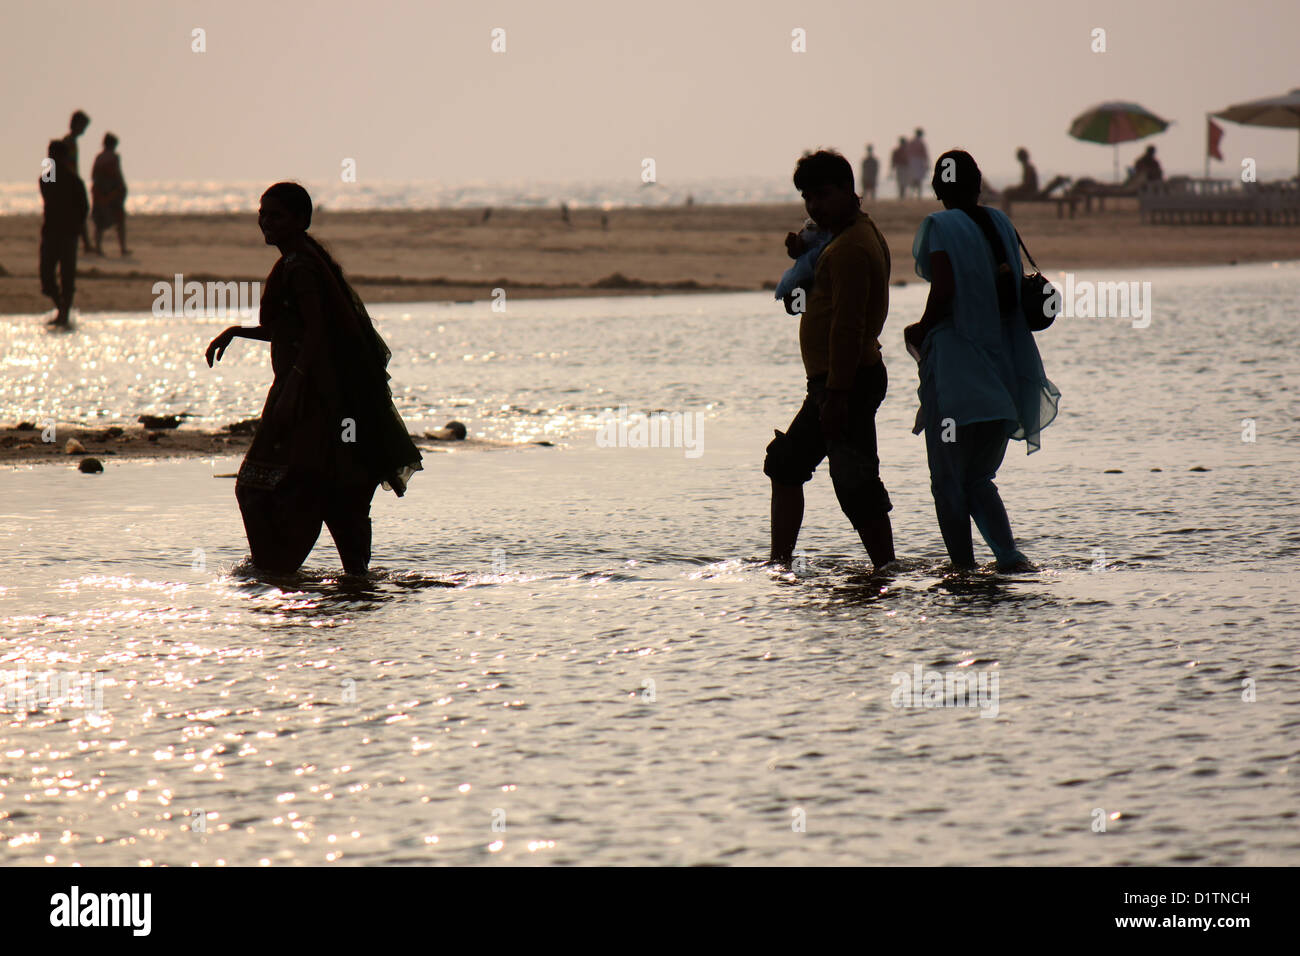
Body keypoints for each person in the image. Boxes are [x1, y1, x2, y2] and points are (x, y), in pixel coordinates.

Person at [205, 182, 423, 575]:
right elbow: (296, 330)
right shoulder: (300, 261)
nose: (265, 221)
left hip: (309, 394)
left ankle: (274, 574)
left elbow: (317, 332)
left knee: (259, 487)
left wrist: (295, 386)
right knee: (336, 486)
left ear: (301, 221)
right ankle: (347, 582)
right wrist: (238, 331)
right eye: (263, 213)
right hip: (319, 393)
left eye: (276, 215)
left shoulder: (301, 267)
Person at [903, 150, 1060, 572]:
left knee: (947, 480)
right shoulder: (1001, 222)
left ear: (937, 189)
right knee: (977, 479)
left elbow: (946, 287)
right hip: (1007, 372)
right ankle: (1009, 557)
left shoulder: (938, 226)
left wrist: (919, 328)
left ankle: (962, 571)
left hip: (958, 377)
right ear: (978, 184)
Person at [765, 150, 895, 572]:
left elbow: (848, 328)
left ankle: (886, 570)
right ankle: (779, 564)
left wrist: (837, 397)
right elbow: (820, 300)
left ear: (847, 191)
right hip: (832, 383)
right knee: (786, 464)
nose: (813, 206)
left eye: (822, 195)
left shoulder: (851, 248)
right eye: (807, 197)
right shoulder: (843, 236)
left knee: (855, 484)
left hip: (847, 382)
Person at [39, 139, 88, 327]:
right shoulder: (53, 179)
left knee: (67, 277)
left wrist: (76, 228)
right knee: (47, 278)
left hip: (67, 234)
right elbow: (48, 186)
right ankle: (62, 310)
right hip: (51, 233)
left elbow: (83, 208)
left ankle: (64, 314)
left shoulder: (73, 180)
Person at [59, 111, 94, 254]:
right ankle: (85, 244)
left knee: (79, 213)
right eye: (83, 126)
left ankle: (86, 244)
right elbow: (65, 164)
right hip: (69, 183)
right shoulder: (68, 142)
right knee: (78, 213)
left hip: (71, 182)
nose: (84, 130)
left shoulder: (71, 141)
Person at [91, 133, 129, 256]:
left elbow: (94, 176)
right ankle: (122, 248)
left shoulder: (99, 157)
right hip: (112, 192)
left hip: (99, 192)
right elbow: (117, 174)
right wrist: (122, 188)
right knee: (119, 221)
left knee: (100, 223)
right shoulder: (114, 157)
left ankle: (98, 248)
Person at [907, 128, 929, 199]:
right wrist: (926, 163)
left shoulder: (912, 142)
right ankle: (918, 195)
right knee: (918, 180)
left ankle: (912, 194)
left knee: (914, 179)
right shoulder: (920, 142)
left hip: (913, 162)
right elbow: (925, 154)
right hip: (918, 162)